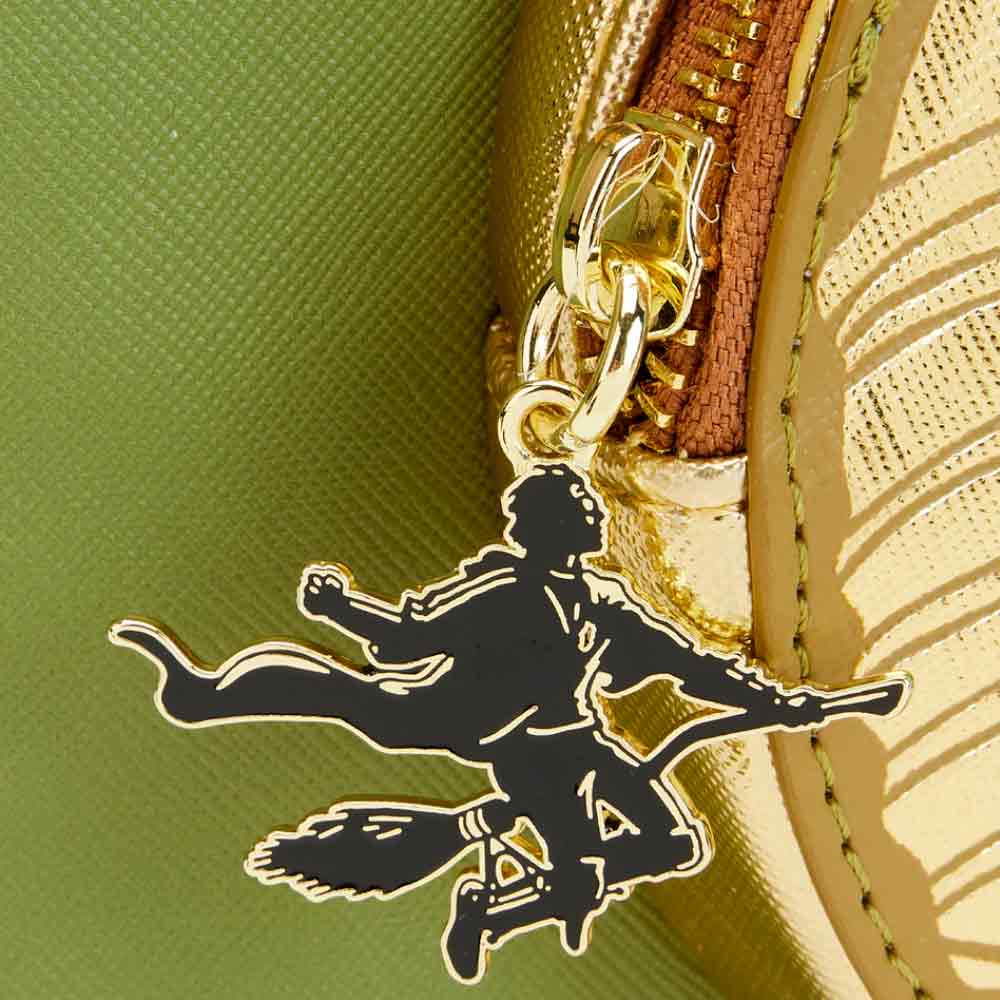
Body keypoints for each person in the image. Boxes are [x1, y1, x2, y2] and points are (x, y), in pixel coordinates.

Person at [111, 463, 907, 983]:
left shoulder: (603, 601)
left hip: (587, 741)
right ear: (548, 525)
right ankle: (203, 693)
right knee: (355, 699)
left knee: (675, 843)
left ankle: (495, 908)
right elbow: (409, 639)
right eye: (579, 507)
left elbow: (687, 662)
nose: (593, 514)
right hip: (526, 751)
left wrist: (779, 702)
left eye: (588, 507)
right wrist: (340, 608)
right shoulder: (505, 593)